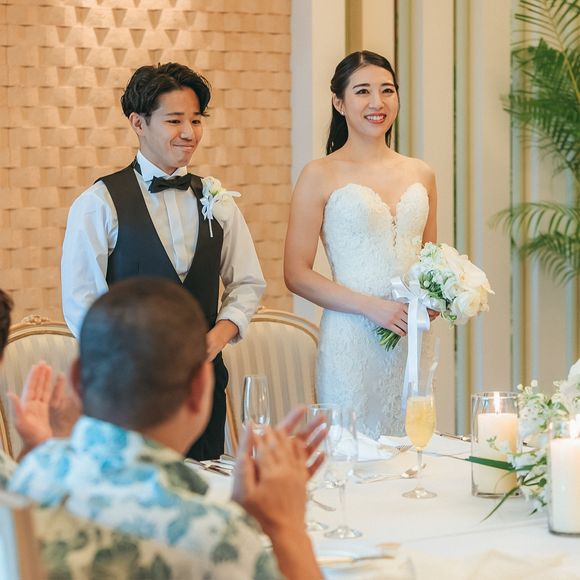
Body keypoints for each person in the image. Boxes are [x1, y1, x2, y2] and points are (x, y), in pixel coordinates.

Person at [11, 279, 324, 580]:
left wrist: (239, 514)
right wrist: (285, 526)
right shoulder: (215, 539)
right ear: (200, 387)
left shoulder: (32, 473)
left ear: (77, 380)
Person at [61, 62, 266, 460]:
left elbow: (248, 282)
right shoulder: (98, 203)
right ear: (138, 123)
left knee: (201, 487)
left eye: (196, 120)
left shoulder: (218, 200)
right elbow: (81, 302)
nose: (189, 133)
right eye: (174, 120)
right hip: (128, 395)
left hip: (203, 389)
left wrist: (216, 338)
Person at [284, 51, 438, 438]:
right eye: (363, 91)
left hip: (410, 338)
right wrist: (371, 307)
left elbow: (432, 261)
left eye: (387, 90)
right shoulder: (318, 174)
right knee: (351, 452)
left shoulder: (421, 172)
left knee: (413, 449)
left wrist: (436, 298)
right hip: (351, 339)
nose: (377, 102)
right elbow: (296, 273)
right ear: (339, 102)